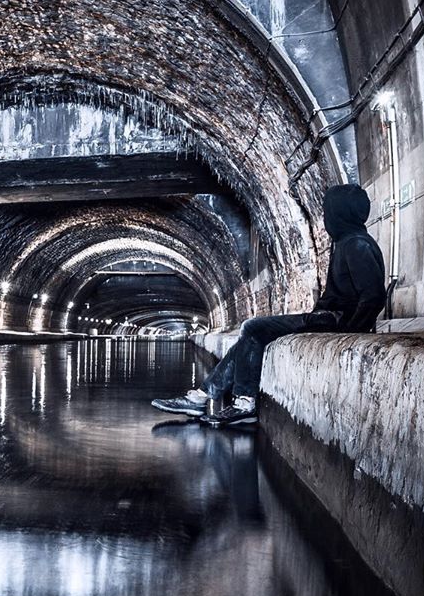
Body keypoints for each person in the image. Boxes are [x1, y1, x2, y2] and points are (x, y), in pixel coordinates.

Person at [152, 183, 386, 428]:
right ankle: (207, 395)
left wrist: (349, 334)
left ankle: (240, 401)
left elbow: (373, 296)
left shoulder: (356, 245)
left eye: (328, 212)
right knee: (249, 339)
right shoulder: (348, 242)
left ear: (341, 213)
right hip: (327, 318)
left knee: (253, 326)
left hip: (334, 321)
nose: (325, 218)